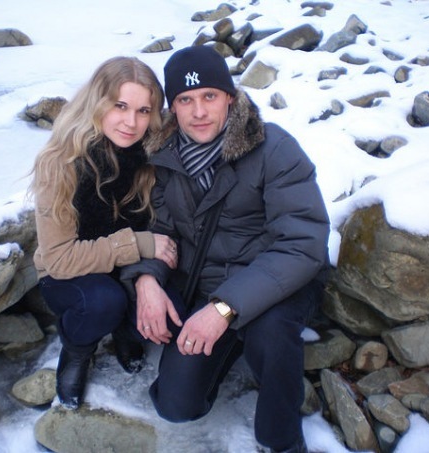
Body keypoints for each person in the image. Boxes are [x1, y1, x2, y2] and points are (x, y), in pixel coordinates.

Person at [121, 46, 330, 453]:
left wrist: (223, 309)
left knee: (271, 335)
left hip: (278, 284)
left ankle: (282, 440)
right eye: (185, 100)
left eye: (210, 96)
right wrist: (147, 279)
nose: (199, 111)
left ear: (230, 98)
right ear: (173, 108)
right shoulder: (165, 157)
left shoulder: (275, 149)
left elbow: (301, 243)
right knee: (175, 405)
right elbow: (161, 229)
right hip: (209, 285)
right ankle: (229, 350)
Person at [28, 56, 179, 410]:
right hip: (71, 274)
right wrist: (139, 243)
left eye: (143, 111)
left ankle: (125, 327)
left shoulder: (153, 153)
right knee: (103, 303)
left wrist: (147, 275)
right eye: (120, 106)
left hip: (129, 268)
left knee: (174, 311)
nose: (131, 122)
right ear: (97, 102)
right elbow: (60, 259)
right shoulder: (61, 161)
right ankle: (78, 349)